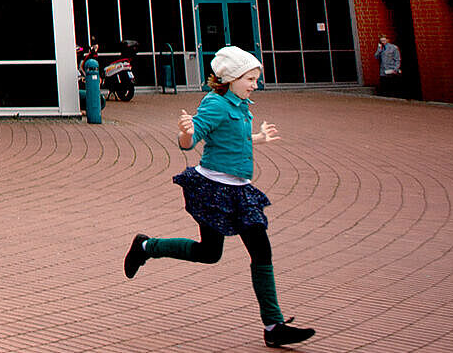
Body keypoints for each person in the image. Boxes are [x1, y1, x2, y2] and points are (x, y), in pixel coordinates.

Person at [123, 46, 316, 348]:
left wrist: (257, 138)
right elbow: (189, 141)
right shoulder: (215, 103)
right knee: (209, 253)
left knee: (261, 252)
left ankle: (273, 325)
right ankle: (146, 246)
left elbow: (231, 137)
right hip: (214, 190)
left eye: (256, 79)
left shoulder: (241, 104)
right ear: (231, 78)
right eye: (250, 79)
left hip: (241, 190)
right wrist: (186, 131)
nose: (255, 84)